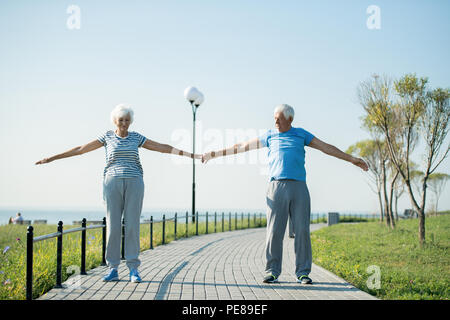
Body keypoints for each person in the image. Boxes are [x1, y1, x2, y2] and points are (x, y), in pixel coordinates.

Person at [202, 104, 368, 284]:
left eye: (279, 118)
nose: (275, 122)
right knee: (274, 231)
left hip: (299, 187)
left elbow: (326, 147)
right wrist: (214, 154)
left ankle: (303, 272)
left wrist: (352, 159)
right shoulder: (269, 136)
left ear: (289, 119)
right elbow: (242, 146)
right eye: (274, 118)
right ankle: (272, 271)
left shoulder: (301, 134)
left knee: (302, 230)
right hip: (276, 188)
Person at [36, 104, 201, 283]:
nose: (124, 123)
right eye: (121, 120)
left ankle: (133, 269)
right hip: (112, 183)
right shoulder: (107, 137)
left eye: (127, 120)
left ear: (130, 122)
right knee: (113, 226)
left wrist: (190, 155)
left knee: (132, 226)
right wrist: (51, 158)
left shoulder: (136, 137)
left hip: (135, 182)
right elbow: (80, 149)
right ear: (115, 121)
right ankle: (113, 268)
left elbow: (161, 147)